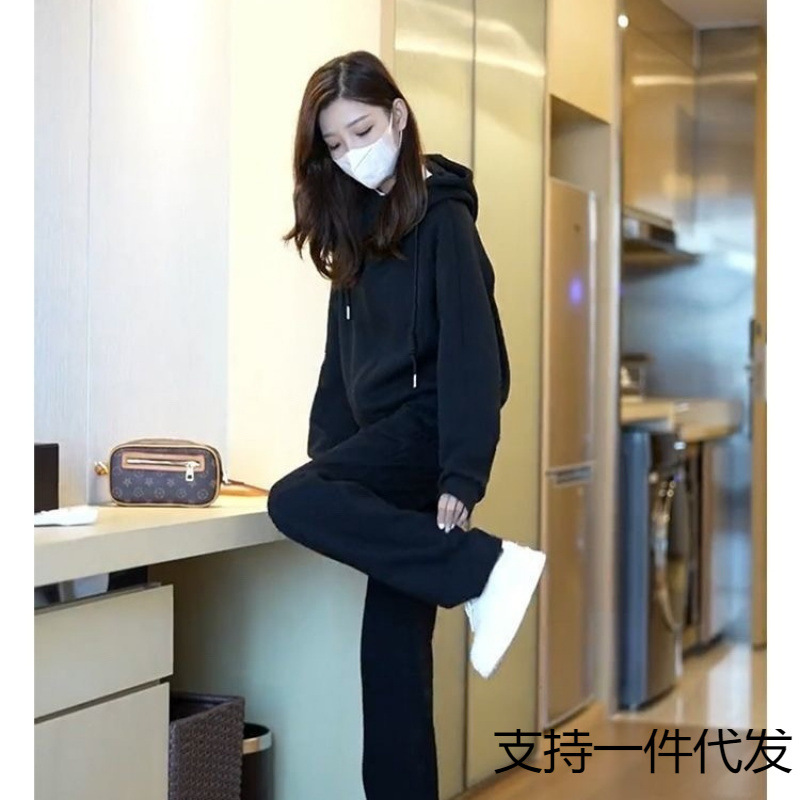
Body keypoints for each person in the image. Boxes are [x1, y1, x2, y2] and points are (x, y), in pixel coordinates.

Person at [267, 50, 546, 800]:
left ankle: (485, 567)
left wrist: (463, 471)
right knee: (391, 662)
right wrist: (334, 457)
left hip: (424, 434)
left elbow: (474, 352)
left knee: (292, 500)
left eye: (362, 131)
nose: (351, 153)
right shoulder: (354, 230)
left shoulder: (442, 217)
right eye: (334, 144)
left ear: (398, 116)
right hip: (383, 445)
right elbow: (340, 361)